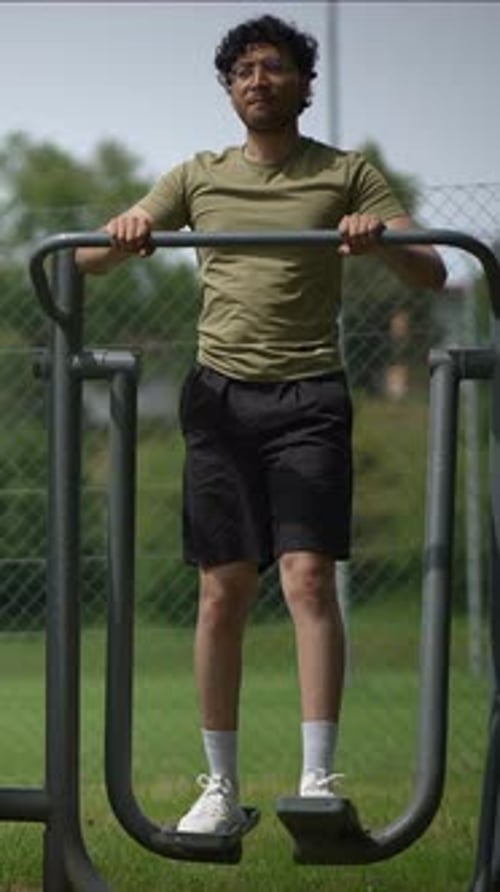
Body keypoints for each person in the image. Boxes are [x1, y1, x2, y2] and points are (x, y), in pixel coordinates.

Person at [76, 14, 447, 836]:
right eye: (243, 70)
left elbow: (432, 269)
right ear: (229, 88)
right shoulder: (197, 177)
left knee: (308, 579)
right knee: (222, 592)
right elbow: (87, 260)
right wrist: (128, 234)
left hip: (309, 395)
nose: (258, 80)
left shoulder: (346, 173)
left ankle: (319, 778)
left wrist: (378, 241)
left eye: (274, 67)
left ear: (304, 84)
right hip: (219, 399)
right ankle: (219, 789)